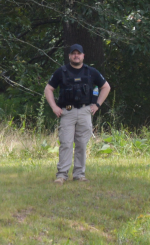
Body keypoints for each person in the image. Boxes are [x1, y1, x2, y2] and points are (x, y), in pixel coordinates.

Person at [45, 44, 110, 184]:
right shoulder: (61, 72)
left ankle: (79, 175)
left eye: (78, 53)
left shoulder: (91, 72)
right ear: (69, 56)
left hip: (85, 111)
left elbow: (106, 87)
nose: (76, 56)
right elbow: (48, 89)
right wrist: (54, 107)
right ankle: (61, 175)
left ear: (83, 56)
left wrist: (97, 105)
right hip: (67, 112)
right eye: (73, 53)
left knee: (81, 144)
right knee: (66, 144)